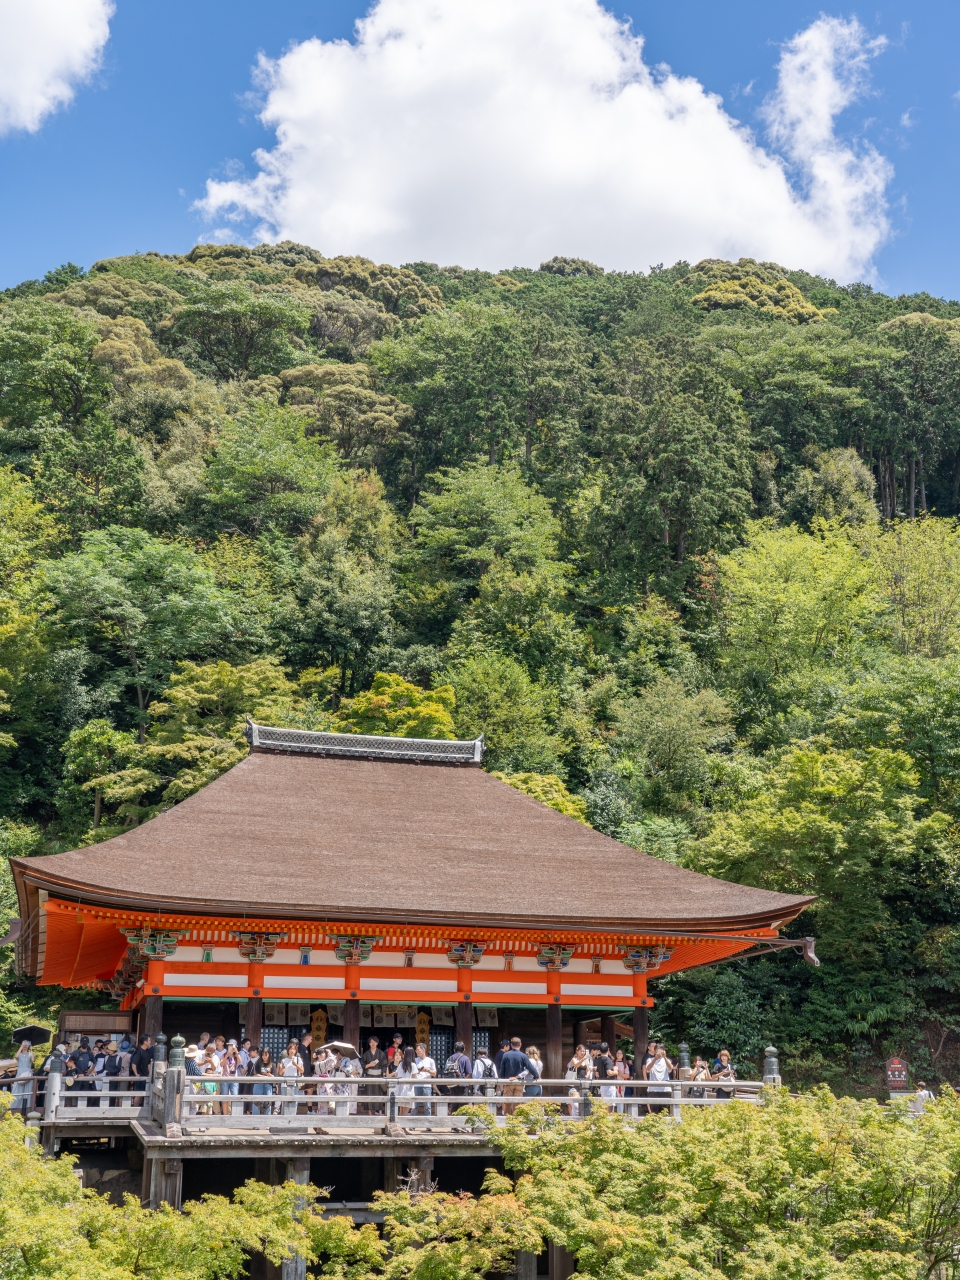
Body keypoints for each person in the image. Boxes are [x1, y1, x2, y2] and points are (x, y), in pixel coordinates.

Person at [499, 1038, 538, 1114]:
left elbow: (502, 1069)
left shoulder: (506, 1055)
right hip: (519, 1082)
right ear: (520, 1045)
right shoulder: (523, 1056)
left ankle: (507, 1121)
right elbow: (530, 1067)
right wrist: (536, 1076)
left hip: (508, 1081)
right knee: (517, 1104)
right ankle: (516, 1122)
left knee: (507, 1103)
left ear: (511, 1045)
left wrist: (502, 1079)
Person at [360, 1035, 387, 1115]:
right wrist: (369, 1065)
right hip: (369, 1076)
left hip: (379, 1076)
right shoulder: (366, 1054)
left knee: (379, 1093)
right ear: (369, 1043)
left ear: (377, 1043)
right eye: (371, 1042)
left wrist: (383, 1073)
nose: (373, 1043)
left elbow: (385, 1065)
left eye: (374, 1042)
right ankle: (369, 1112)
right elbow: (362, 1065)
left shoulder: (381, 1053)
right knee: (369, 1093)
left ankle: (380, 1111)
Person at [643, 1045, 673, 1112]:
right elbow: (648, 1069)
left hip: (665, 1089)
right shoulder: (649, 1060)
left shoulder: (667, 1060)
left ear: (664, 1051)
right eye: (658, 1050)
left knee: (664, 1111)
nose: (659, 1052)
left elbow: (670, 1068)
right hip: (653, 1089)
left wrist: (664, 1057)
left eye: (661, 1050)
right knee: (654, 1111)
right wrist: (655, 1059)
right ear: (655, 1051)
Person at [441, 1040, 472, 1104]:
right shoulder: (465, 1058)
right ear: (464, 1050)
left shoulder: (450, 1058)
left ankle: (454, 1114)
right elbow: (468, 1072)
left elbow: (446, 1070)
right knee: (463, 1105)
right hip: (462, 1085)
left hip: (452, 1084)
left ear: (454, 1050)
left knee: (454, 1104)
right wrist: (462, 1078)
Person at [249, 1046, 276, 1115]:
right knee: (256, 1102)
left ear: (269, 1055)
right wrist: (264, 1076)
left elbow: (274, 1077)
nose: (264, 1056)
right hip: (258, 1084)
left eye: (266, 1055)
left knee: (268, 1103)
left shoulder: (272, 1065)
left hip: (268, 1085)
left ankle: (267, 1122)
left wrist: (268, 1074)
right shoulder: (258, 1063)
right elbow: (254, 1074)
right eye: (263, 1055)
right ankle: (256, 1123)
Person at [279, 1042, 304, 1115]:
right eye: (291, 1049)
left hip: (294, 1083)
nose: (292, 1051)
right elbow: (280, 1073)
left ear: (296, 1051)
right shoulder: (284, 1060)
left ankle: (292, 1116)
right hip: (285, 1084)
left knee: (294, 1101)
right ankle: (284, 1117)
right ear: (288, 1050)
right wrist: (282, 1068)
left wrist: (296, 1065)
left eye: (294, 1049)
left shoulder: (298, 1059)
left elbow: (302, 1071)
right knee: (284, 1101)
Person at [413, 1042, 437, 1116]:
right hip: (416, 1085)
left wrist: (428, 1070)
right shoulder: (414, 1060)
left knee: (427, 1106)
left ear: (423, 1050)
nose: (416, 1051)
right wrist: (418, 1071)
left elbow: (434, 1073)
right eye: (416, 1050)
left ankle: (428, 1125)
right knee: (414, 1106)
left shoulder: (430, 1061)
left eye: (418, 1050)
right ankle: (412, 1125)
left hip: (427, 1085)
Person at [394, 1046, 417, 1115]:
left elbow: (396, 1075)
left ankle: (401, 1125)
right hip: (408, 1089)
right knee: (405, 1112)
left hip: (400, 1089)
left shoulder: (401, 1064)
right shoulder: (413, 1065)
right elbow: (413, 1079)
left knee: (401, 1111)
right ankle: (403, 1125)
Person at [129, 1035, 153, 1100]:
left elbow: (148, 1064)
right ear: (145, 1042)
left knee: (143, 1094)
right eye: (149, 1041)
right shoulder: (139, 1051)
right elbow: (134, 1064)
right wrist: (136, 1074)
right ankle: (135, 1109)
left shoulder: (147, 1051)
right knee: (139, 1094)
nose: (150, 1042)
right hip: (140, 1076)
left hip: (145, 1075)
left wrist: (149, 1073)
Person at [12, 1041, 34, 1116]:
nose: (25, 1046)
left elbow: (33, 1060)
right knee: (17, 1090)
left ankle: (26, 1108)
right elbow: (16, 1056)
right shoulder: (20, 1054)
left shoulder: (29, 1054)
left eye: (27, 1044)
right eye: (24, 1044)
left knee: (28, 1091)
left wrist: (31, 1049)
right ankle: (14, 1108)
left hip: (27, 1072)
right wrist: (21, 1046)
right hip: (20, 1072)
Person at [219, 1042, 241, 1114]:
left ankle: (235, 1115)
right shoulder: (224, 1055)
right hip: (225, 1078)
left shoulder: (236, 1056)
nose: (231, 1048)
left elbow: (240, 1062)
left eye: (232, 1046)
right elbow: (221, 1064)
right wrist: (226, 1056)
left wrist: (236, 1052)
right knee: (225, 1098)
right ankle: (225, 1115)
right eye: (229, 1046)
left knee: (235, 1097)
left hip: (234, 1079)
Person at [595, 1040, 616, 1108]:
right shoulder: (607, 1060)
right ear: (608, 1050)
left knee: (604, 1105)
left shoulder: (598, 1060)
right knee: (609, 1105)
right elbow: (609, 1073)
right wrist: (616, 1071)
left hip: (602, 1085)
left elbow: (597, 1074)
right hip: (609, 1085)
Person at [103, 1041, 124, 1106]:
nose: (108, 1051)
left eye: (109, 1049)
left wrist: (110, 1071)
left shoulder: (118, 1058)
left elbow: (118, 1069)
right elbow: (103, 1067)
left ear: (113, 1050)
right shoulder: (106, 1057)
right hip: (106, 1078)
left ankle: (111, 1107)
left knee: (112, 1094)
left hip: (114, 1078)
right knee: (105, 1093)